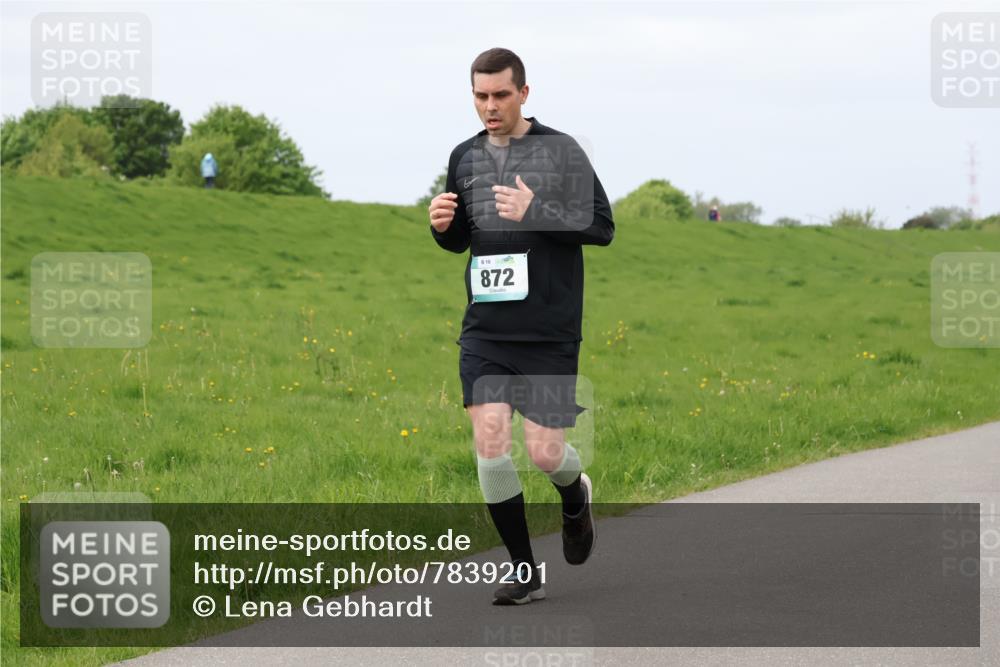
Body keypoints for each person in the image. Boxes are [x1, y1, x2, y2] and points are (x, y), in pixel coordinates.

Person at [427, 48, 614, 606]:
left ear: (524, 93)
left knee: (545, 454)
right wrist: (442, 227)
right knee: (489, 444)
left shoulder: (561, 151)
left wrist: (538, 212)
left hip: (549, 331)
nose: (490, 106)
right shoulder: (464, 156)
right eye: (480, 96)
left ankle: (575, 495)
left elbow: (601, 227)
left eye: (500, 95)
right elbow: (466, 238)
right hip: (485, 329)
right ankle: (524, 570)